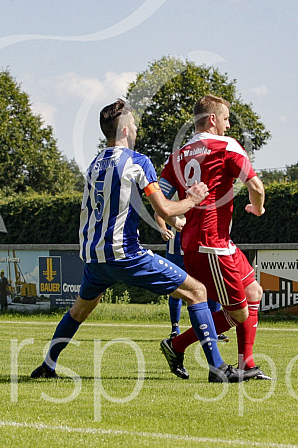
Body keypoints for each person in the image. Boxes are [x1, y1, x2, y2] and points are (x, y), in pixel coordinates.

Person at [31, 99, 247, 383]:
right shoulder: (137, 161)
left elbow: (132, 206)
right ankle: (218, 368)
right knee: (197, 292)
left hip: (95, 258)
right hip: (126, 255)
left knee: (80, 310)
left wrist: (174, 221)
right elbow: (164, 208)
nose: (135, 126)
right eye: (132, 122)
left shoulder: (95, 163)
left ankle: (47, 365)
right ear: (123, 129)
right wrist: (192, 199)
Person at [159, 94, 270, 380]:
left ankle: (247, 364)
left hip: (211, 243)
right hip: (212, 246)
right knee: (239, 314)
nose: (228, 125)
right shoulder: (226, 146)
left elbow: (158, 196)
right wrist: (256, 208)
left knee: (254, 292)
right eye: (225, 119)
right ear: (212, 119)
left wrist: (174, 218)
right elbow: (256, 187)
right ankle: (177, 345)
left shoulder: (179, 154)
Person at [155, 213, 228, 341]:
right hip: (176, 251)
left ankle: (215, 329)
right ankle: (175, 329)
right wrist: (163, 229)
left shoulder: (208, 194)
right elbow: (159, 210)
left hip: (201, 248)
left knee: (211, 287)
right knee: (176, 288)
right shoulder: (173, 193)